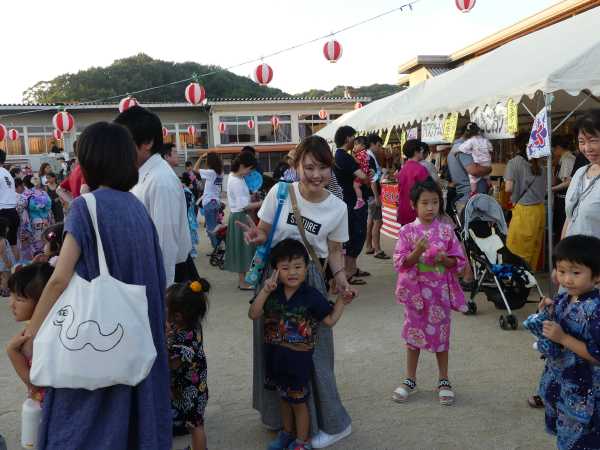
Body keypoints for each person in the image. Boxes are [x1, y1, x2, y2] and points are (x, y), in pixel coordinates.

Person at [23, 121, 172, 450]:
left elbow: (59, 279)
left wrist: (32, 333)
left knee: (83, 427)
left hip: (92, 342)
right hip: (135, 337)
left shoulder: (85, 206)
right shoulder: (137, 208)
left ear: (90, 161)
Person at [239, 135, 355, 449]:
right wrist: (256, 235)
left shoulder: (337, 207)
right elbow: (264, 232)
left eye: (323, 168)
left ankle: (334, 423)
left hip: (310, 282)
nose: (316, 175)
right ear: (297, 165)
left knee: (316, 354)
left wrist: (341, 279)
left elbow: (334, 251)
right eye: (309, 167)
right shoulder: (279, 192)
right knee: (274, 348)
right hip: (274, 280)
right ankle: (279, 419)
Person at [249, 239, 347, 450]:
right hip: (274, 360)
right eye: (285, 268)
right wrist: (265, 290)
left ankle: (302, 441)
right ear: (276, 270)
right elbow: (254, 314)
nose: (292, 272)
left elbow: (329, 320)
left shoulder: (312, 296)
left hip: (298, 363)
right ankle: (286, 433)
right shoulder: (272, 293)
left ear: (306, 268)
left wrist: (342, 301)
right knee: (283, 400)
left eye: (297, 266)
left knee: (299, 403)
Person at [392, 180, 467, 406]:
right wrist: (417, 251)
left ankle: (444, 379)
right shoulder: (407, 231)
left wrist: (445, 259)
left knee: (441, 336)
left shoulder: (446, 230)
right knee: (413, 335)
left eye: (435, 202)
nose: (430, 207)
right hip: (415, 293)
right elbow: (401, 263)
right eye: (424, 203)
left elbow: (459, 262)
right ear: (413, 204)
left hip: (439, 292)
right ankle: (410, 378)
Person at [115, 105, 192, 286]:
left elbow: (165, 245)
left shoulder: (161, 181)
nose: (118, 149)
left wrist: (161, 293)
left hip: (164, 275)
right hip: (148, 270)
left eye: (124, 142)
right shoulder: (141, 174)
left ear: (147, 142)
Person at [536, 234, 600, 448]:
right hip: (564, 384)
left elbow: (597, 354)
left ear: (597, 276)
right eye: (561, 271)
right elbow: (557, 325)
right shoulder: (565, 299)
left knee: (582, 440)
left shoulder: (595, 310)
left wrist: (563, 338)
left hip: (585, 392)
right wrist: (546, 312)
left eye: (575, 272)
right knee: (565, 434)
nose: (567, 279)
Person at [166, 280, 210, 450]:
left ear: (178, 316)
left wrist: (164, 343)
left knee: (195, 426)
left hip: (191, 394)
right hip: (195, 389)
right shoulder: (192, 327)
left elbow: (173, 364)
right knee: (194, 425)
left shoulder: (183, 341)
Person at [5, 263, 55, 405]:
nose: (11, 304)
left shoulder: (40, 338)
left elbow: (34, 385)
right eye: (11, 295)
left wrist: (12, 352)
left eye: (19, 299)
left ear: (43, 302)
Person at [333, 126, 370, 286]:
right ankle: (349, 271)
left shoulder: (341, 155)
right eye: (353, 137)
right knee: (356, 234)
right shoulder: (344, 157)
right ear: (347, 138)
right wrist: (368, 177)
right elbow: (362, 176)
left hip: (349, 200)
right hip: (352, 201)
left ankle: (352, 268)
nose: (354, 140)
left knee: (356, 234)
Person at [504, 132, 547, 271]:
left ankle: (519, 278)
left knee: (517, 250)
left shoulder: (513, 163)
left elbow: (508, 188)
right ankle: (529, 275)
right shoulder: (541, 164)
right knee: (534, 248)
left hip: (524, 211)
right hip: (540, 210)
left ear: (517, 146)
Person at [224, 151, 261, 290]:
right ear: (242, 166)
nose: (250, 173)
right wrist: (263, 203)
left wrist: (252, 198)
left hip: (238, 215)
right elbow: (244, 206)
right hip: (240, 216)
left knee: (243, 249)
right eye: (249, 169)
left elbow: (241, 201)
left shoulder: (235, 177)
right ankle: (243, 282)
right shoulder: (237, 181)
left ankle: (244, 280)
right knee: (243, 249)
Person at [563, 109, 600, 241]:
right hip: (570, 252)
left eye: (593, 140)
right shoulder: (580, 173)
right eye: (581, 142)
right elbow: (569, 217)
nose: (587, 148)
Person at [447, 129, 492, 213]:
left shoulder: (455, 148)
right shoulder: (462, 148)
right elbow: (473, 171)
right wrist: (489, 169)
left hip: (467, 199)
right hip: (471, 201)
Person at [365, 134, 389, 259]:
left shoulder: (368, 156)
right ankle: (377, 249)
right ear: (372, 144)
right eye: (379, 146)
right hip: (372, 194)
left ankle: (369, 246)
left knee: (371, 221)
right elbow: (373, 179)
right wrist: (377, 197)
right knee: (378, 222)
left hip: (370, 195)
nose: (380, 149)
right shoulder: (369, 157)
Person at [395, 139, 430, 226]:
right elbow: (428, 191)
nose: (422, 151)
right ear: (416, 152)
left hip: (403, 210)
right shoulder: (421, 169)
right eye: (421, 149)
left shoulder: (403, 169)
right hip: (416, 213)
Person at [193, 152, 224, 250]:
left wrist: (201, 157)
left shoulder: (211, 173)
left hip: (210, 203)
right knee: (216, 227)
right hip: (216, 202)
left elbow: (195, 169)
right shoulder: (220, 172)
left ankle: (217, 248)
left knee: (210, 229)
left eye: (206, 160)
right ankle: (219, 246)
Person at [550, 136, 575, 246]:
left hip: (564, 199)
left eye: (554, 149)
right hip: (560, 198)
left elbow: (567, 182)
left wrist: (551, 189)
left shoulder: (567, 159)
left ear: (559, 148)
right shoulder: (563, 159)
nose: (553, 152)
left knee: (561, 226)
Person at [456, 122, 492, 196]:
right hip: (487, 162)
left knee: (472, 178)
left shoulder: (471, 141)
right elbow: (491, 148)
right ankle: (489, 184)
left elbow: (463, 148)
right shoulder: (485, 140)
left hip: (479, 163)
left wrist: (457, 151)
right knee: (486, 175)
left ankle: (473, 191)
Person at [0, 150, 20, 260]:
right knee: (13, 244)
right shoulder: (7, 173)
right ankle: (18, 267)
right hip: (12, 211)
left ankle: (7, 269)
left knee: (2, 245)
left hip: (3, 212)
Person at [27, 176, 53, 257]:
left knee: (47, 235)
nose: (36, 182)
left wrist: (42, 205)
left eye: (37, 179)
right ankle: (39, 255)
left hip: (45, 217)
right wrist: (40, 205)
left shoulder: (43, 192)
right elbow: (31, 205)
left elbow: (49, 202)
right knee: (38, 237)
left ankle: (46, 253)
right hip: (36, 217)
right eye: (34, 179)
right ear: (31, 181)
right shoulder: (29, 192)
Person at [57, 141, 89, 206]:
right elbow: (84, 190)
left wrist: (73, 202)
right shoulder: (86, 169)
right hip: (87, 210)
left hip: (78, 208)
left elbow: (59, 190)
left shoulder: (74, 172)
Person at [181, 172, 200, 258]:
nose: (193, 179)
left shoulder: (186, 190)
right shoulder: (186, 191)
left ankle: (191, 251)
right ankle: (192, 252)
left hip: (190, 215)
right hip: (189, 216)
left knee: (190, 233)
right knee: (190, 233)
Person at [351, 136, 371, 210]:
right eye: (354, 144)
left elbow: (358, 161)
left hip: (362, 173)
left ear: (363, 146)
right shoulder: (365, 153)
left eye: (356, 144)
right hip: (364, 173)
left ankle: (360, 200)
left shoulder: (361, 153)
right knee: (358, 186)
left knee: (355, 186)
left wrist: (353, 157)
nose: (354, 146)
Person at [0, 217, 15, 296]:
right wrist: (7, 262)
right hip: (4, 262)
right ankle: (5, 290)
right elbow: (2, 252)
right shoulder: (2, 240)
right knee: (6, 277)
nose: (8, 228)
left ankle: (2, 289)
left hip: (3, 262)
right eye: (7, 227)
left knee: (3, 277)